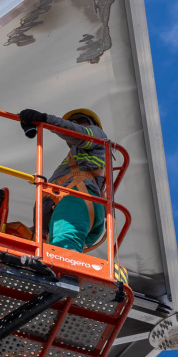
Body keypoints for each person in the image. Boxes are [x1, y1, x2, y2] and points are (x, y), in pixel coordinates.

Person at [18, 108, 108, 253]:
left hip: (78, 200)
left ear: (93, 125)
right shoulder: (72, 161)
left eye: (81, 120)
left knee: (63, 253)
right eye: (71, 122)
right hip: (75, 207)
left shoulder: (98, 136)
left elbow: (80, 134)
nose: (75, 123)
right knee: (57, 253)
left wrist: (45, 119)